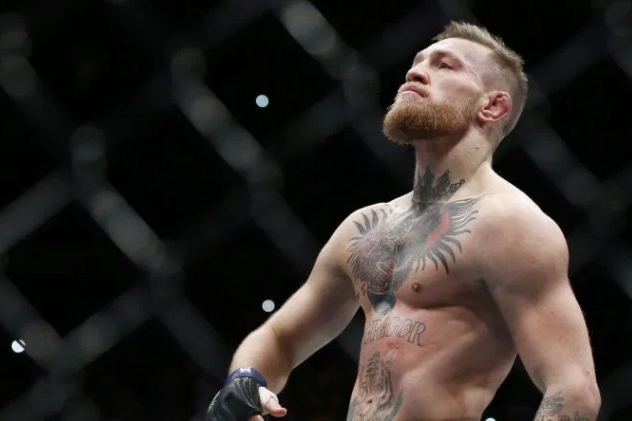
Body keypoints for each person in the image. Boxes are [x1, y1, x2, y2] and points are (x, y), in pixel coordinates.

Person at [205, 21, 601, 421]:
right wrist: (245, 381)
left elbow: (573, 390)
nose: (416, 72)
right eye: (417, 62)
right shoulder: (364, 227)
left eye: (445, 65)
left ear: (493, 106)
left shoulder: (510, 223)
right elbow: (279, 337)